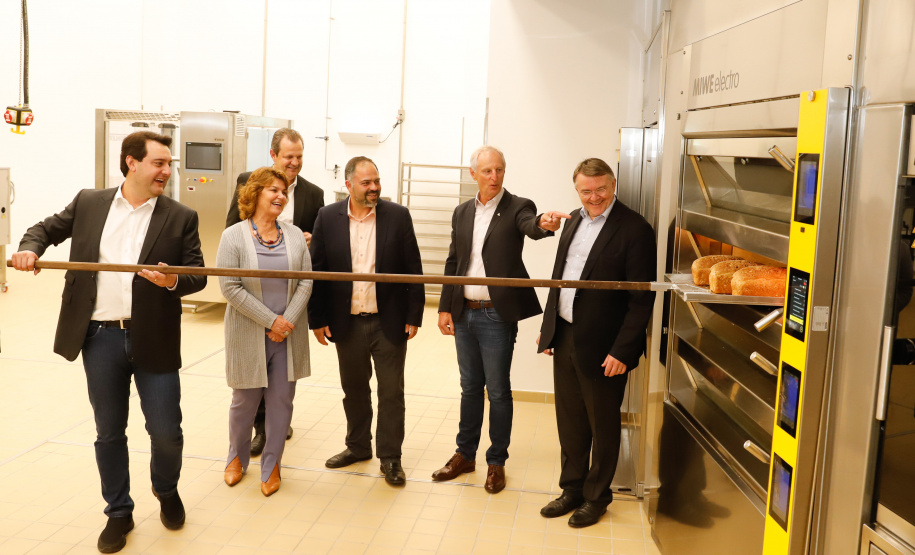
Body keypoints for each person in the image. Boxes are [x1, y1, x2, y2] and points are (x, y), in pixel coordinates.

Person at [11, 131, 206, 553]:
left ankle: (166, 490)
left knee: (167, 433)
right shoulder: (89, 202)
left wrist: (172, 278)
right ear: (131, 163)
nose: (167, 171)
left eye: (169, 164)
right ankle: (119, 511)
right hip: (99, 338)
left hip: (153, 336)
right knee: (109, 432)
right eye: (159, 163)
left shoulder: (179, 215)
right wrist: (28, 249)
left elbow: (198, 273)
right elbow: (43, 229)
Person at [433, 145, 568, 493]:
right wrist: (445, 306)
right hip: (463, 313)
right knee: (468, 388)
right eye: (488, 171)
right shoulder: (462, 212)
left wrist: (543, 224)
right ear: (473, 173)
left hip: (496, 314)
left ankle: (496, 462)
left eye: (500, 170)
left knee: (498, 391)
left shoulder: (517, 207)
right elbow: (454, 260)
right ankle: (464, 455)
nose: (495, 177)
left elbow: (531, 225)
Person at [536, 158, 656, 527]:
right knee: (570, 420)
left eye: (601, 189)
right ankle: (571, 489)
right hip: (567, 334)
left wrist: (623, 350)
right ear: (577, 190)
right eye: (586, 191)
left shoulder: (635, 229)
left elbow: (641, 299)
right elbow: (561, 278)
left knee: (603, 425)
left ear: (613, 184)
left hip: (606, 347)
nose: (594, 197)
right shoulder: (572, 221)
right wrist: (550, 326)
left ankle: (597, 497)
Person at [307, 156, 424, 486]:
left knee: (391, 392)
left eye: (377, 181)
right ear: (348, 185)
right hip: (347, 322)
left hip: (389, 320)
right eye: (366, 183)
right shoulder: (327, 217)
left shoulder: (397, 217)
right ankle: (357, 447)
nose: (374, 188)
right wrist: (317, 318)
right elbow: (318, 271)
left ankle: (390, 458)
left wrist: (414, 314)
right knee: (354, 389)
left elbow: (413, 268)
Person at [226, 128, 324, 457]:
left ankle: (275, 434)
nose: (294, 162)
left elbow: (316, 253)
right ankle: (259, 431)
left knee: (282, 382)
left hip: (290, 296)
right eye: (288, 157)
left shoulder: (313, 192)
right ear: (274, 156)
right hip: (252, 298)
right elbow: (233, 227)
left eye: (299, 156)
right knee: (251, 377)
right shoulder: (248, 180)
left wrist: (308, 240)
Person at [217, 167, 313, 497]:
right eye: (273, 190)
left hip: (287, 334)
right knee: (244, 402)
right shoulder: (233, 236)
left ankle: (272, 465)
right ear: (254, 193)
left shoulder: (296, 234)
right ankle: (236, 458)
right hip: (248, 331)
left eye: (283, 191)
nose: (280, 196)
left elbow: (306, 281)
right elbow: (229, 287)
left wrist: (285, 322)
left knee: (281, 403)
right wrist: (270, 321)